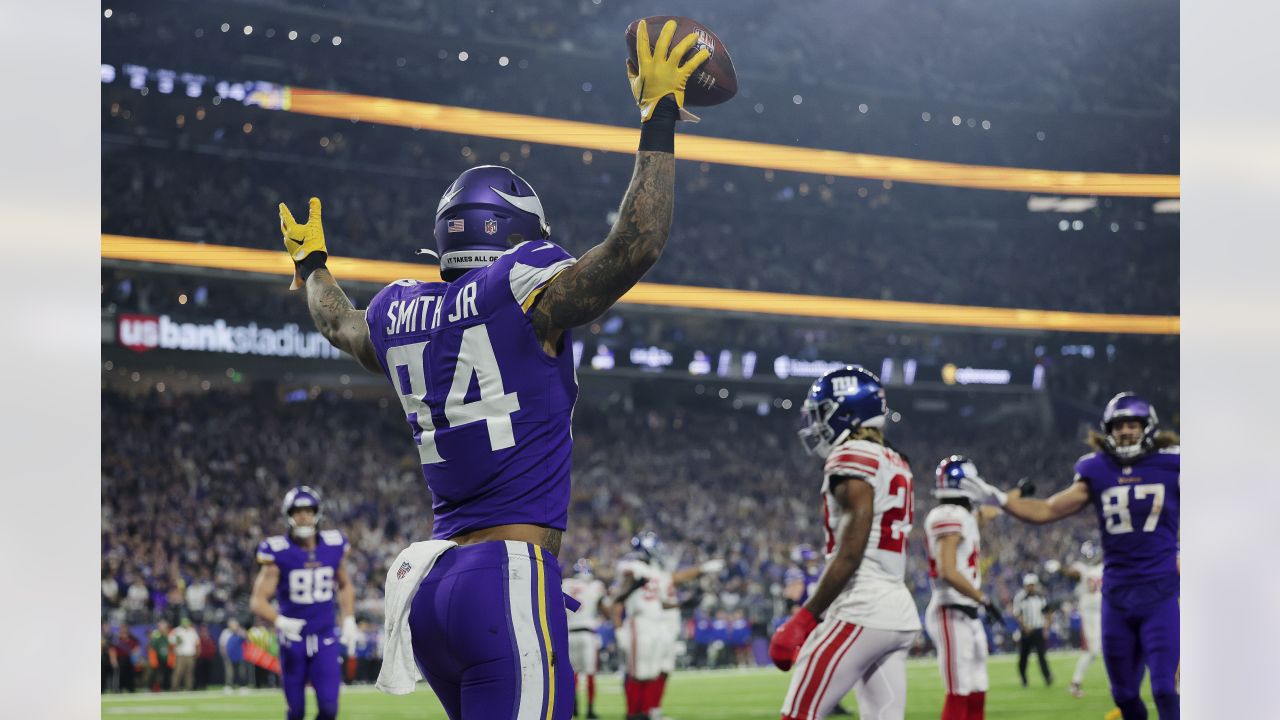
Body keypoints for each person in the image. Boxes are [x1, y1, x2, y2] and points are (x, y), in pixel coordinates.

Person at [278, 17, 712, 720]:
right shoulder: (522, 283)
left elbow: (337, 322)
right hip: (506, 576)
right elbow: (635, 246)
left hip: (436, 588)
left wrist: (312, 267)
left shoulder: (398, 310)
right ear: (514, 233)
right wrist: (660, 117)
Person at [966, 392, 1179, 720]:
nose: (1125, 431)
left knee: (1165, 689)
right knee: (1123, 695)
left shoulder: (1172, 463)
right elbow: (1048, 509)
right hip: (1117, 597)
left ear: (1147, 427)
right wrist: (1000, 499)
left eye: (1132, 424)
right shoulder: (1098, 469)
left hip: (1160, 594)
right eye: (1118, 425)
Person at [770, 366, 922, 720]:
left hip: (861, 607)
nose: (817, 423)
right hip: (897, 610)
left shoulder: (852, 454)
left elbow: (852, 550)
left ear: (847, 411)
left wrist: (805, 618)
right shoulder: (896, 460)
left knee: (798, 715)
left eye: (823, 412)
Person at [249, 486, 359, 720]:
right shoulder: (278, 551)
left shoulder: (334, 544)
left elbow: (345, 584)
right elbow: (257, 601)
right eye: (298, 511)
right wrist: (280, 620)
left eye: (308, 510)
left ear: (317, 513)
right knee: (296, 711)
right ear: (288, 514)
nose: (303, 515)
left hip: (325, 637)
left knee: (330, 709)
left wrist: (349, 618)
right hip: (293, 641)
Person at [923, 456, 1004, 720]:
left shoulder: (964, 516)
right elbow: (947, 570)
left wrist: (1012, 497)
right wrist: (984, 599)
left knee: (977, 685)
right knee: (958, 689)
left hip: (967, 610)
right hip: (951, 608)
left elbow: (990, 511)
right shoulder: (947, 516)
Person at [613, 533, 721, 720]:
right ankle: (633, 714)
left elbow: (663, 597)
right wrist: (619, 628)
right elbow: (619, 595)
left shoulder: (654, 573)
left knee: (651, 671)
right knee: (637, 672)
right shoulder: (633, 567)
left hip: (654, 624)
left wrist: (684, 603)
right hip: (639, 623)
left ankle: (646, 712)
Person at [563, 559, 608, 719]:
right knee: (590, 673)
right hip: (588, 633)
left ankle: (574, 706)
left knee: (572, 673)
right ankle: (589, 709)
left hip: (570, 633)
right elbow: (604, 607)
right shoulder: (596, 586)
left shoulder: (566, 584)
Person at [1065, 540, 1105, 698]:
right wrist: (1063, 570)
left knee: (1104, 648)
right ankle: (1075, 683)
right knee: (1092, 650)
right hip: (1088, 612)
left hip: (1103, 611)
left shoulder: (1103, 567)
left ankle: (1115, 685)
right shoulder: (1081, 568)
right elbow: (1072, 573)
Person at [1012, 574, 1052, 688]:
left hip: (1038, 629)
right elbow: (1017, 614)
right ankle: (1023, 678)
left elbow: (1048, 611)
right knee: (1024, 656)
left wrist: (1046, 625)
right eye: (1029, 585)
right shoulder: (1020, 597)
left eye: (1032, 585)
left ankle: (1047, 677)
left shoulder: (1041, 597)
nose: (1031, 588)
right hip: (1026, 631)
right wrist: (1025, 626)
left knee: (1042, 655)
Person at [168, 617, 199, 691]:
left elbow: (197, 642)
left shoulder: (192, 631)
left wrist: (197, 652)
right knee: (178, 672)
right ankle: (174, 688)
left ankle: (189, 688)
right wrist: (176, 640)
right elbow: (170, 639)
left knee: (189, 672)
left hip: (190, 654)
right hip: (180, 654)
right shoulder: (177, 630)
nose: (186, 624)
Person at [219, 619, 247, 693]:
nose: (234, 627)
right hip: (229, 655)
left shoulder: (240, 632)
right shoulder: (225, 632)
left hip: (240, 655)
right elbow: (222, 644)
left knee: (241, 671)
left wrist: (240, 631)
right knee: (229, 672)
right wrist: (224, 654)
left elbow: (246, 639)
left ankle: (242, 686)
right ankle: (229, 686)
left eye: (235, 625)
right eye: (232, 625)